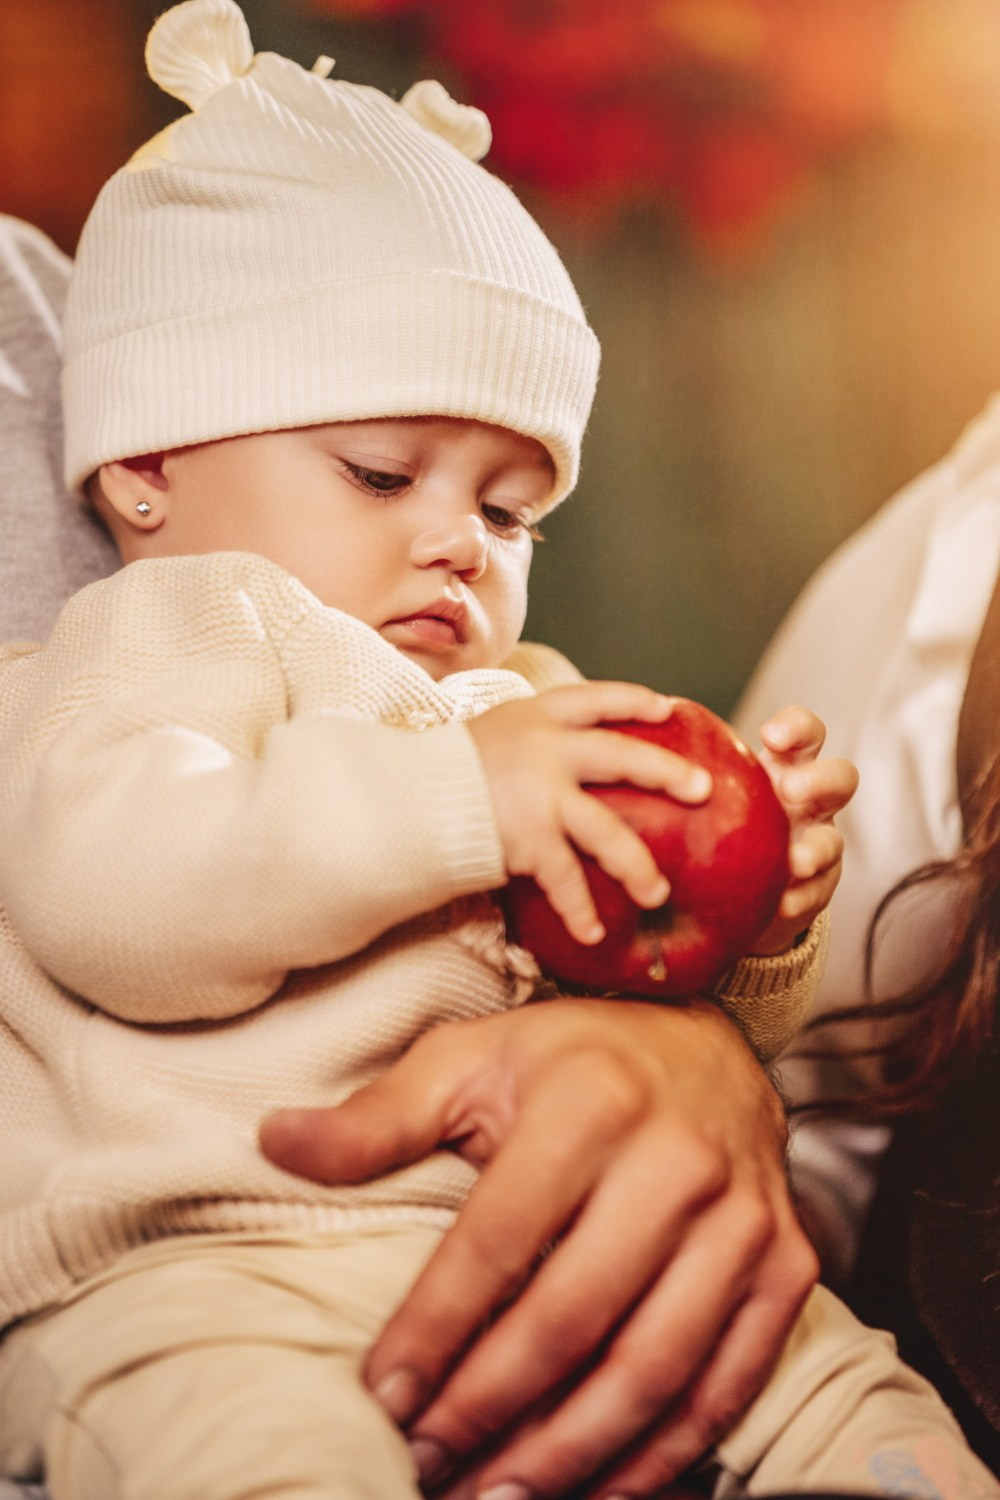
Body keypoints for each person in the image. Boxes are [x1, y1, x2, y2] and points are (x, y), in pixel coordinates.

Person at [0, 5, 987, 1498]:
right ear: (144, 466)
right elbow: (117, 901)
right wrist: (470, 798)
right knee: (257, 1459)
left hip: (542, 1240)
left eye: (514, 508)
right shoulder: (158, 642)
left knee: (839, 1383)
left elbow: (668, 1024)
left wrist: (751, 928)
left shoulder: (518, 697)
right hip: (205, 1272)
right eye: (384, 473)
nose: (461, 542)